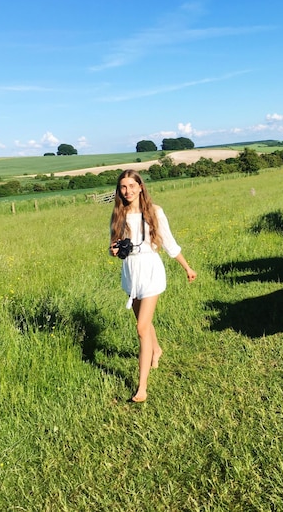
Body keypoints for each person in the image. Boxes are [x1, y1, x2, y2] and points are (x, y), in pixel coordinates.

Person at [109, 169, 197, 403]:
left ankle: (142, 388)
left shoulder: (154, 212)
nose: (127, 191)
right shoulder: (118, 214)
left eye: (131, 186)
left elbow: (169, 243)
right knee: (145, 325)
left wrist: (187, 268)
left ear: (140, 186)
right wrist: (114, 250)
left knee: (140, 328)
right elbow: (113, 244)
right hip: (131, 272)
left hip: (150, 270)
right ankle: (156, 350)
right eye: (123, 187)